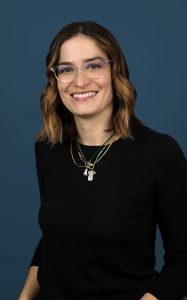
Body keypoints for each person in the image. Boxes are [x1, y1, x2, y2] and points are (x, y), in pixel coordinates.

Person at [18, 21, 187, 300]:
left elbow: (183, 261)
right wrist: (24, 297)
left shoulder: (159, 153)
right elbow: (55, 238)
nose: (80, 81)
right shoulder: (48, 149)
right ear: (55, 79)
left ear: (115, 71)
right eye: (67, 69)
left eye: (93, 66)